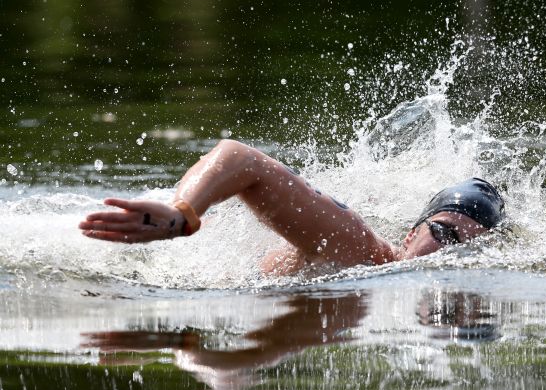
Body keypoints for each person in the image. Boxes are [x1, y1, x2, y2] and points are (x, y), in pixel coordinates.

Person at [79, 139, 505, 275]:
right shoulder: (359, 249)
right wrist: (182, 215)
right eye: (446, 234)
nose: (451, 254)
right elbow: (239, 157)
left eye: (470, 249)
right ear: (413, 233)